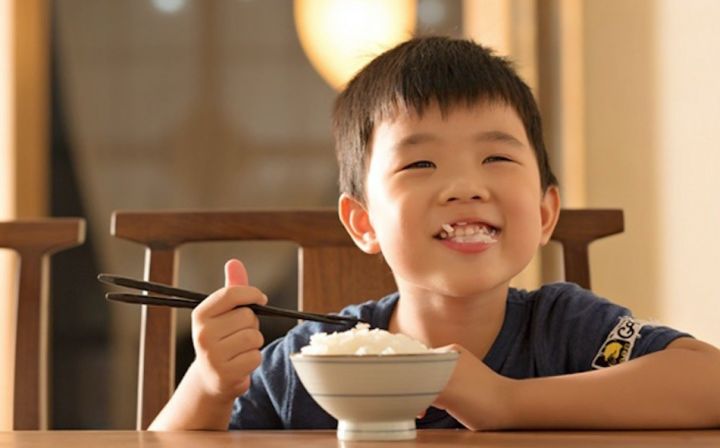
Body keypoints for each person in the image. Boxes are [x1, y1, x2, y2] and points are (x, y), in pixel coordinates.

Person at [150, 36, 720, 431]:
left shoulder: (567, 331)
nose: (466, 186)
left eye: (497, 157)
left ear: (546, 213)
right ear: (363, 222)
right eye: (420, 165)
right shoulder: (315, 359)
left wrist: (506, 401)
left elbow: (708, 380)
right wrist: (207, 386)